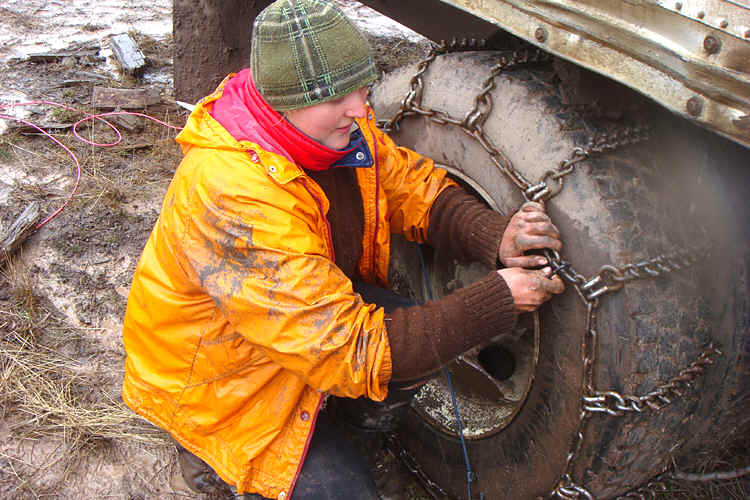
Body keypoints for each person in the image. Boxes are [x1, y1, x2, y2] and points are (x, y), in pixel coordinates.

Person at [121, 0, 564, 498]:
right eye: (336, 97)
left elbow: (405, 187)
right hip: (230, 386)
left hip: (302, 326)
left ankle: (345, 428)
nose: (360, 107)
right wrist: (496, 301)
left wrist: (492, 234)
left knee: (416, 333)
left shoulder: (336, 129)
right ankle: (209, 456)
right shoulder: (232, 191)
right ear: (281, 101)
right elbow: (350, 349)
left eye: (361, 87)